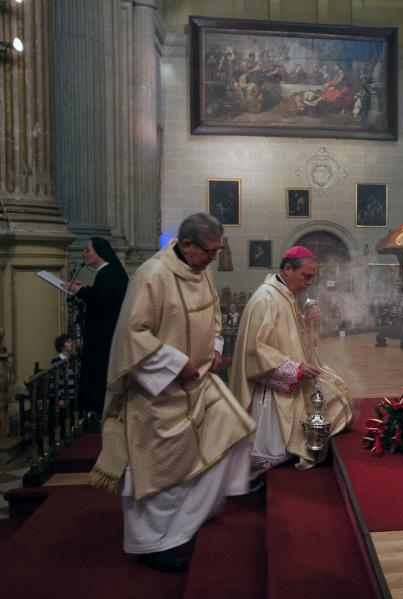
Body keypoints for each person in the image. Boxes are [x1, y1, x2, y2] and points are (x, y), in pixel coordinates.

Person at [88, 214, 256, 574]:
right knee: (157, 471)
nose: (214, 258)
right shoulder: (152, 275)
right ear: (187, 245)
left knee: (234, 431)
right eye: (209, 251)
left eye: (217, 251)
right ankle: (150, 544)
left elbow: (212, 315)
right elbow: (134, 335)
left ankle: (190, 518)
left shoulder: (203, 270)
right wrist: (177, 363)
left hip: (199, 383)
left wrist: (213, 346)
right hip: (157, 393)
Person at [229, 246, 353, 480]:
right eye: (306, 276)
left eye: (313, 278)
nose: (309, 283)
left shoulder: (284, 295)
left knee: (339, 397)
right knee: (276, 451)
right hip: (271, 390)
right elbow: (255, 350)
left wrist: (309, 323)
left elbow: (292, 339)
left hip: (290, 383)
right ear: (287, 269)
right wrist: (294, 368)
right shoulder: (266, 299)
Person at [66, 237, 129, 427]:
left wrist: (82, 292)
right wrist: (85, 289)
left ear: (99, 252)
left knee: (99, 380)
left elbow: (102, 303)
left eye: (87, 250)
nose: (84, 253)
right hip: (108, 337)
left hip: (103, 340)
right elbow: (103, 296)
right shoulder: (112, 272)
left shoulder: (107, 273)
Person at [51, 334, 77, 410]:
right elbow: (54, 381)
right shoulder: (57, 360)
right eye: (68, 342)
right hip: (63, 397)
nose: (72, 343)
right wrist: (59, 398)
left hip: (73, 397)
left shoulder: (73, 359)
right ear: (62, 346)